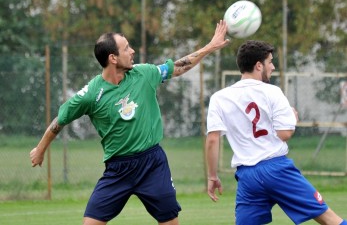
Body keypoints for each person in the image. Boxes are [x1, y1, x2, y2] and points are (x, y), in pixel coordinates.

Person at [30, 20, 230, 225]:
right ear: (113, 58)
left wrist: (211, 46)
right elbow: (59, 121)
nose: (132, 51)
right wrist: (40, 149)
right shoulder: (91, 94)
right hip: (118, 170)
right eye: (126, 48)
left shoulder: (143, 73)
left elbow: (179, 67)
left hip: (152, 164)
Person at [205, 40, 347, 225]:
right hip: (277, 170)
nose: (272, 66)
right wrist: (292, 120)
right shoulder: (272, 92)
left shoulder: (219, 98)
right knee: (329, 219)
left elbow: (212, 140)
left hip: (248, 178)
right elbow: (284, 134)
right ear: (258, 65)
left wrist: (213, 176)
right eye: (270, 61)